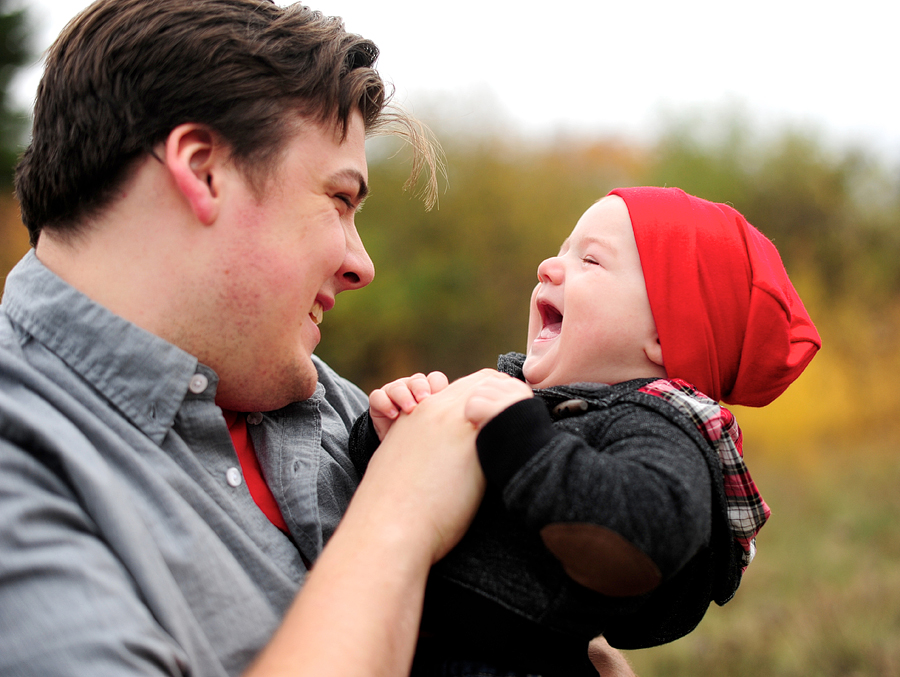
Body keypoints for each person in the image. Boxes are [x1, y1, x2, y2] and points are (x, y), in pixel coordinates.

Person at [0, 1, 616, 676]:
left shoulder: (333, 405)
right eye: (340, 199)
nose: (362, 263)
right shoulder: (22, 464)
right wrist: (400, 516)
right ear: (203, 170)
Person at [354, 187, 822, 676]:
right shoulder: (521, 398)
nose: (547, 268)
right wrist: (387, 435)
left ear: (665, 334)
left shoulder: (661, 425)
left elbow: (647, 528)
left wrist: (523, 443)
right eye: (561, 251)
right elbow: (411, 493)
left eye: (590, 261)